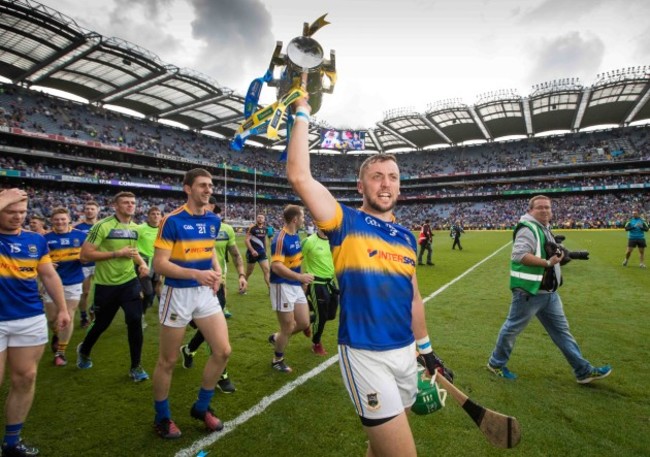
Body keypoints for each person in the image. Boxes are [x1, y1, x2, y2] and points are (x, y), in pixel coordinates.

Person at [286, 93, 452, 456]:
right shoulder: (344, 221)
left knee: (380, 449)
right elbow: (299, 176)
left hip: (406, 352)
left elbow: (414, 297)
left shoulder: (408, 238)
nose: (385, 183)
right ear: (362, 186)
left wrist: (426, 351)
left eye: (392, 177)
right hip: (365, 354)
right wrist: (302, 113)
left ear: (399, 186)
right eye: (376, 177)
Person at [487, 195, 612, 384]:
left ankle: (583, 370)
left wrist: (572, 255)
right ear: (530, 210)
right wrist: (547, 262)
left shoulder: (543, 228)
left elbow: (554, 252)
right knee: (512, 329)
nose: (545, 210)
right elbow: (519, 255)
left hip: (548, 293)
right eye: (540, 208)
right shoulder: (528, 229)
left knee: (562, 333)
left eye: (548, 207)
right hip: (529, 292)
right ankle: (496, 363)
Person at [151, 168, 230, 439]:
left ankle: (201, 407)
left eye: (210, 186)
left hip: (204, 293)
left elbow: (208, 252)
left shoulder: (212, 220)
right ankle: (162, 418)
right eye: (202, 185)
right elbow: (159, 264)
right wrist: (196, 274)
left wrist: (216, 271)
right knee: (168, 360)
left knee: (222, 351)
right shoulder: (172, 221)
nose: (208, 189)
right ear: (187, 188)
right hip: (178, 294)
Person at [0, 188, 70, 457]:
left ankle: (11, 443)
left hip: (29, 317)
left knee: (26, 378)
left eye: (22, 212)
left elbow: (49, 276)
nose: (17, 217)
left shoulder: (36, 241)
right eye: (10, 211)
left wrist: (62, 308)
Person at [77, 192, 150, 382]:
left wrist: (142, 263)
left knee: (135, 320)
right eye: (125, 202)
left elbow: (132, 252)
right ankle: (84, 350)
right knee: (101, 324)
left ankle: (136, 366)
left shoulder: (135, 227)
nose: (130, 205)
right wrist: (117, 253)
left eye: (133, 202)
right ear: (115, 206)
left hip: (129, 282)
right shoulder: (102, 226)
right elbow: (85, 255)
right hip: (106, 285)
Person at [180, 203, 247, 394]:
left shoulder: (224, 228)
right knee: (206, 329)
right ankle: (189, 349)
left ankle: (221, 374)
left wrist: (241, 275)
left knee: (214, 330)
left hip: (217, 285)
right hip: (189, 285)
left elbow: (235, 254)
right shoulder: (185, 224)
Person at [267, 205, 314, 373]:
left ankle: (277, 338)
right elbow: (276, 267)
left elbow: (296, 263)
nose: (304, 219)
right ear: (295, 219)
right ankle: (277, 359)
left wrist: (302, 282)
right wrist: (300, 278)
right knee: (287, 326)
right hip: (282, 285)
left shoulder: (296, 236)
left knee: (303, 322)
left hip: (295, 285)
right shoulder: (280, 239)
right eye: (302, 217)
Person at [43, 207, 86, 367]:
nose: (60, 222)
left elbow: (88, 256)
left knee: (67, 316)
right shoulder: (44, 238)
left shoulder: (81, 236)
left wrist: (84, 259)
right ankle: (56, 335)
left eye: (63, 219)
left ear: (69, 219)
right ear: (52, 221)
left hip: (73, 281)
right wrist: (46, 264)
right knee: (53, 319)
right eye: (56, 219)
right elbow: (37, 259)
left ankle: (60, 352)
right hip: (52, 282)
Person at [301, 228, 338, 356]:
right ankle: (316, 343)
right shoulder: (309, 241)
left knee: (331, 315)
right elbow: (295, 259)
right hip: (316, 284)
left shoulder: (334, 241)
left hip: (330, 283)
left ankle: (306, 322)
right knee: (321, 317)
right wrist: (301, 280)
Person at [74, 201, 100, 328]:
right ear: (84, 211)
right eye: (87, 209)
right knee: (84, 292)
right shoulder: (77, 228)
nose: (90, 211)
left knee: (103, 290)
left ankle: (93, 308)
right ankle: (84, 316)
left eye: (92, 209)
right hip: (84, 265)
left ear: (97, 211)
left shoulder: (103, 226)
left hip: (100, 263)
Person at [136, 206, 163, 320]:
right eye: (153, 214)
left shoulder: (162, 229)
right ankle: (140, 316)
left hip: (157, 262)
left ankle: (141, 310)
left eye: (158, 214)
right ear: (148, 216)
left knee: (152, 291)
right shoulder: (140, 228)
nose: (156, 216)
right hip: (144, 263)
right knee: (148, 291)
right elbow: (133, 244)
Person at [244, 214, 271, 288]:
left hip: (261, 253)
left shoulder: (265, 229)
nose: (260, 219)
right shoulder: (252, 228)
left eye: (262, 217)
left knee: (267, 270)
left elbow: (264, 240)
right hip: (252, 254)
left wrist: (265, 250)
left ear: (264, 219)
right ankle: (243, 285)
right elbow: (246, 240)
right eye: (259, 217)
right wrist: (252, 251)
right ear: (256, 219)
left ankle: (270, 289)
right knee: (249, 272)